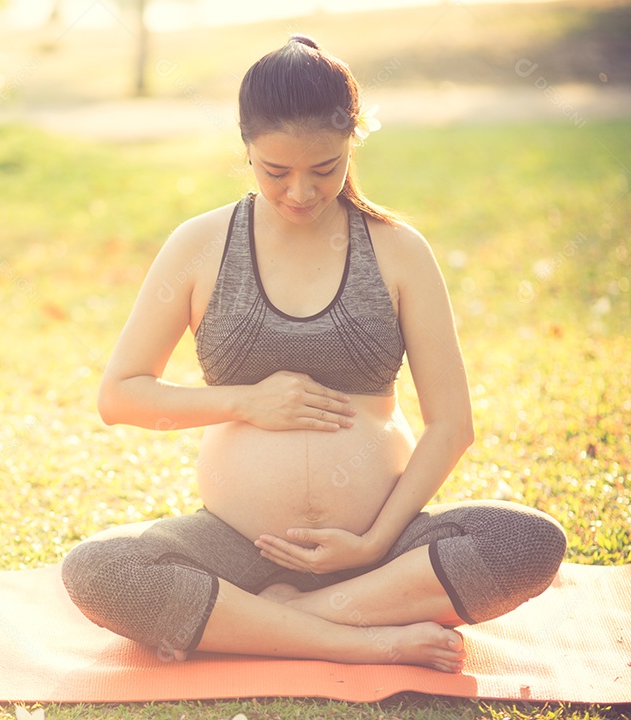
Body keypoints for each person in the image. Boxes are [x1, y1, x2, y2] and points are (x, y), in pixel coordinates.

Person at [60, 35, 566, 673]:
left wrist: (370, 542)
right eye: (276, 171)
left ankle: (269, 623)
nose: (300, 192)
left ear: (352, 141)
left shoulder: (399, 251)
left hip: (377, 552)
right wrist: (248, 402)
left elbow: (452, 425)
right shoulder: (200, 245)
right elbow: (121, 395)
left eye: (324, 169)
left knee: (527, 538)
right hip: (237, 549)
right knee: (98, 570)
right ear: (246, 147)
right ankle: (362, 636)